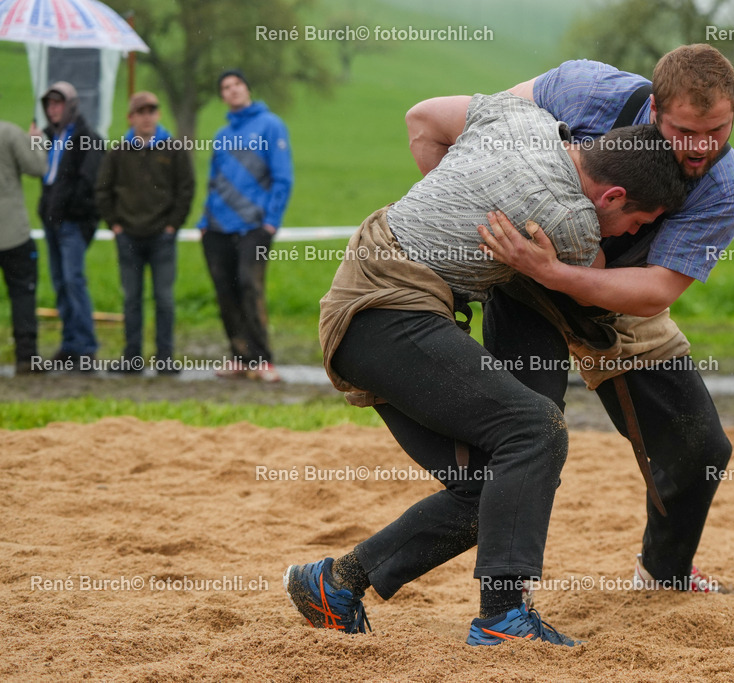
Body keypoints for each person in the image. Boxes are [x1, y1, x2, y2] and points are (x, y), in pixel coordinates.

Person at [285, 91, 685, 645]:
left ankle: (335, 583)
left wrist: (461, 196)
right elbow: (604, 294)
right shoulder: (568, 222)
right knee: (534, 429)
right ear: (612, 194)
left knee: (493, 485)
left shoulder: (522, 118)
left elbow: (421, 118)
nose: (624, 235)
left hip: (369, 302)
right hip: (387, 312)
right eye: (635, 221)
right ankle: (502, 618)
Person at [405, 44, 734, 596]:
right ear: (655, 111)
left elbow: (656, 290)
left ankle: (664, 576)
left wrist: (559, 274)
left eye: (718, 130)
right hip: (523, 285)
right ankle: (506, 603)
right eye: (686, 132)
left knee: (702, 447)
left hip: (621, 297)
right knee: (529, 436)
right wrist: (481, 224)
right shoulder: (586, 92)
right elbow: (469, 133)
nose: (702, 148)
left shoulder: (725, 187)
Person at [198, 70, 292, 382]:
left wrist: (271, 222)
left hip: (254, 226)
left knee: (249, 286)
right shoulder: (222, 135)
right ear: (222, 96)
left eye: (237, 83)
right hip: (217, 227)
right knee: (225, 290)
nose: (233, 89)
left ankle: (263, 359)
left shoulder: (270, 125)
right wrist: (203, 221)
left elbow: (283, 177)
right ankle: (239, 356)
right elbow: (214, 181)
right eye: (226, 87)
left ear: (247, 88)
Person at [95, 91, 195, 374]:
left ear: (158, 114)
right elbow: (103, 189)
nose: (147, 116)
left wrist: (173, 224)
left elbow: (185, 188)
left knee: (164, 299)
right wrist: (114, 223)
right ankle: (132, 358)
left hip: (162, 237)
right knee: (131, 299)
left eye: (151, 110)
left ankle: (165, 358)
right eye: (141, 111)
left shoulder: (174, 149)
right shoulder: (118, 151)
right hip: (128, 236)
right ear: (131, 118)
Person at [37, 81, 105, 371]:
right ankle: (70, 344)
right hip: (52, 222)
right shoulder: (48, 137)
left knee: (74, 282)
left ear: (71, 105)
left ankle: (86, 347)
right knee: (61, 283)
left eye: (58, 104)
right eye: (49, 105)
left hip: (73, 223)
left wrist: (68, 210)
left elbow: (88, 184)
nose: (53, 110)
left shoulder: (88, 138)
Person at [0, 118, 48, 374]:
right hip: (12, 233)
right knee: (22, 293)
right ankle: (26, 356)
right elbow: (38, 167)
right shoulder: (9, 133)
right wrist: (37, 142)